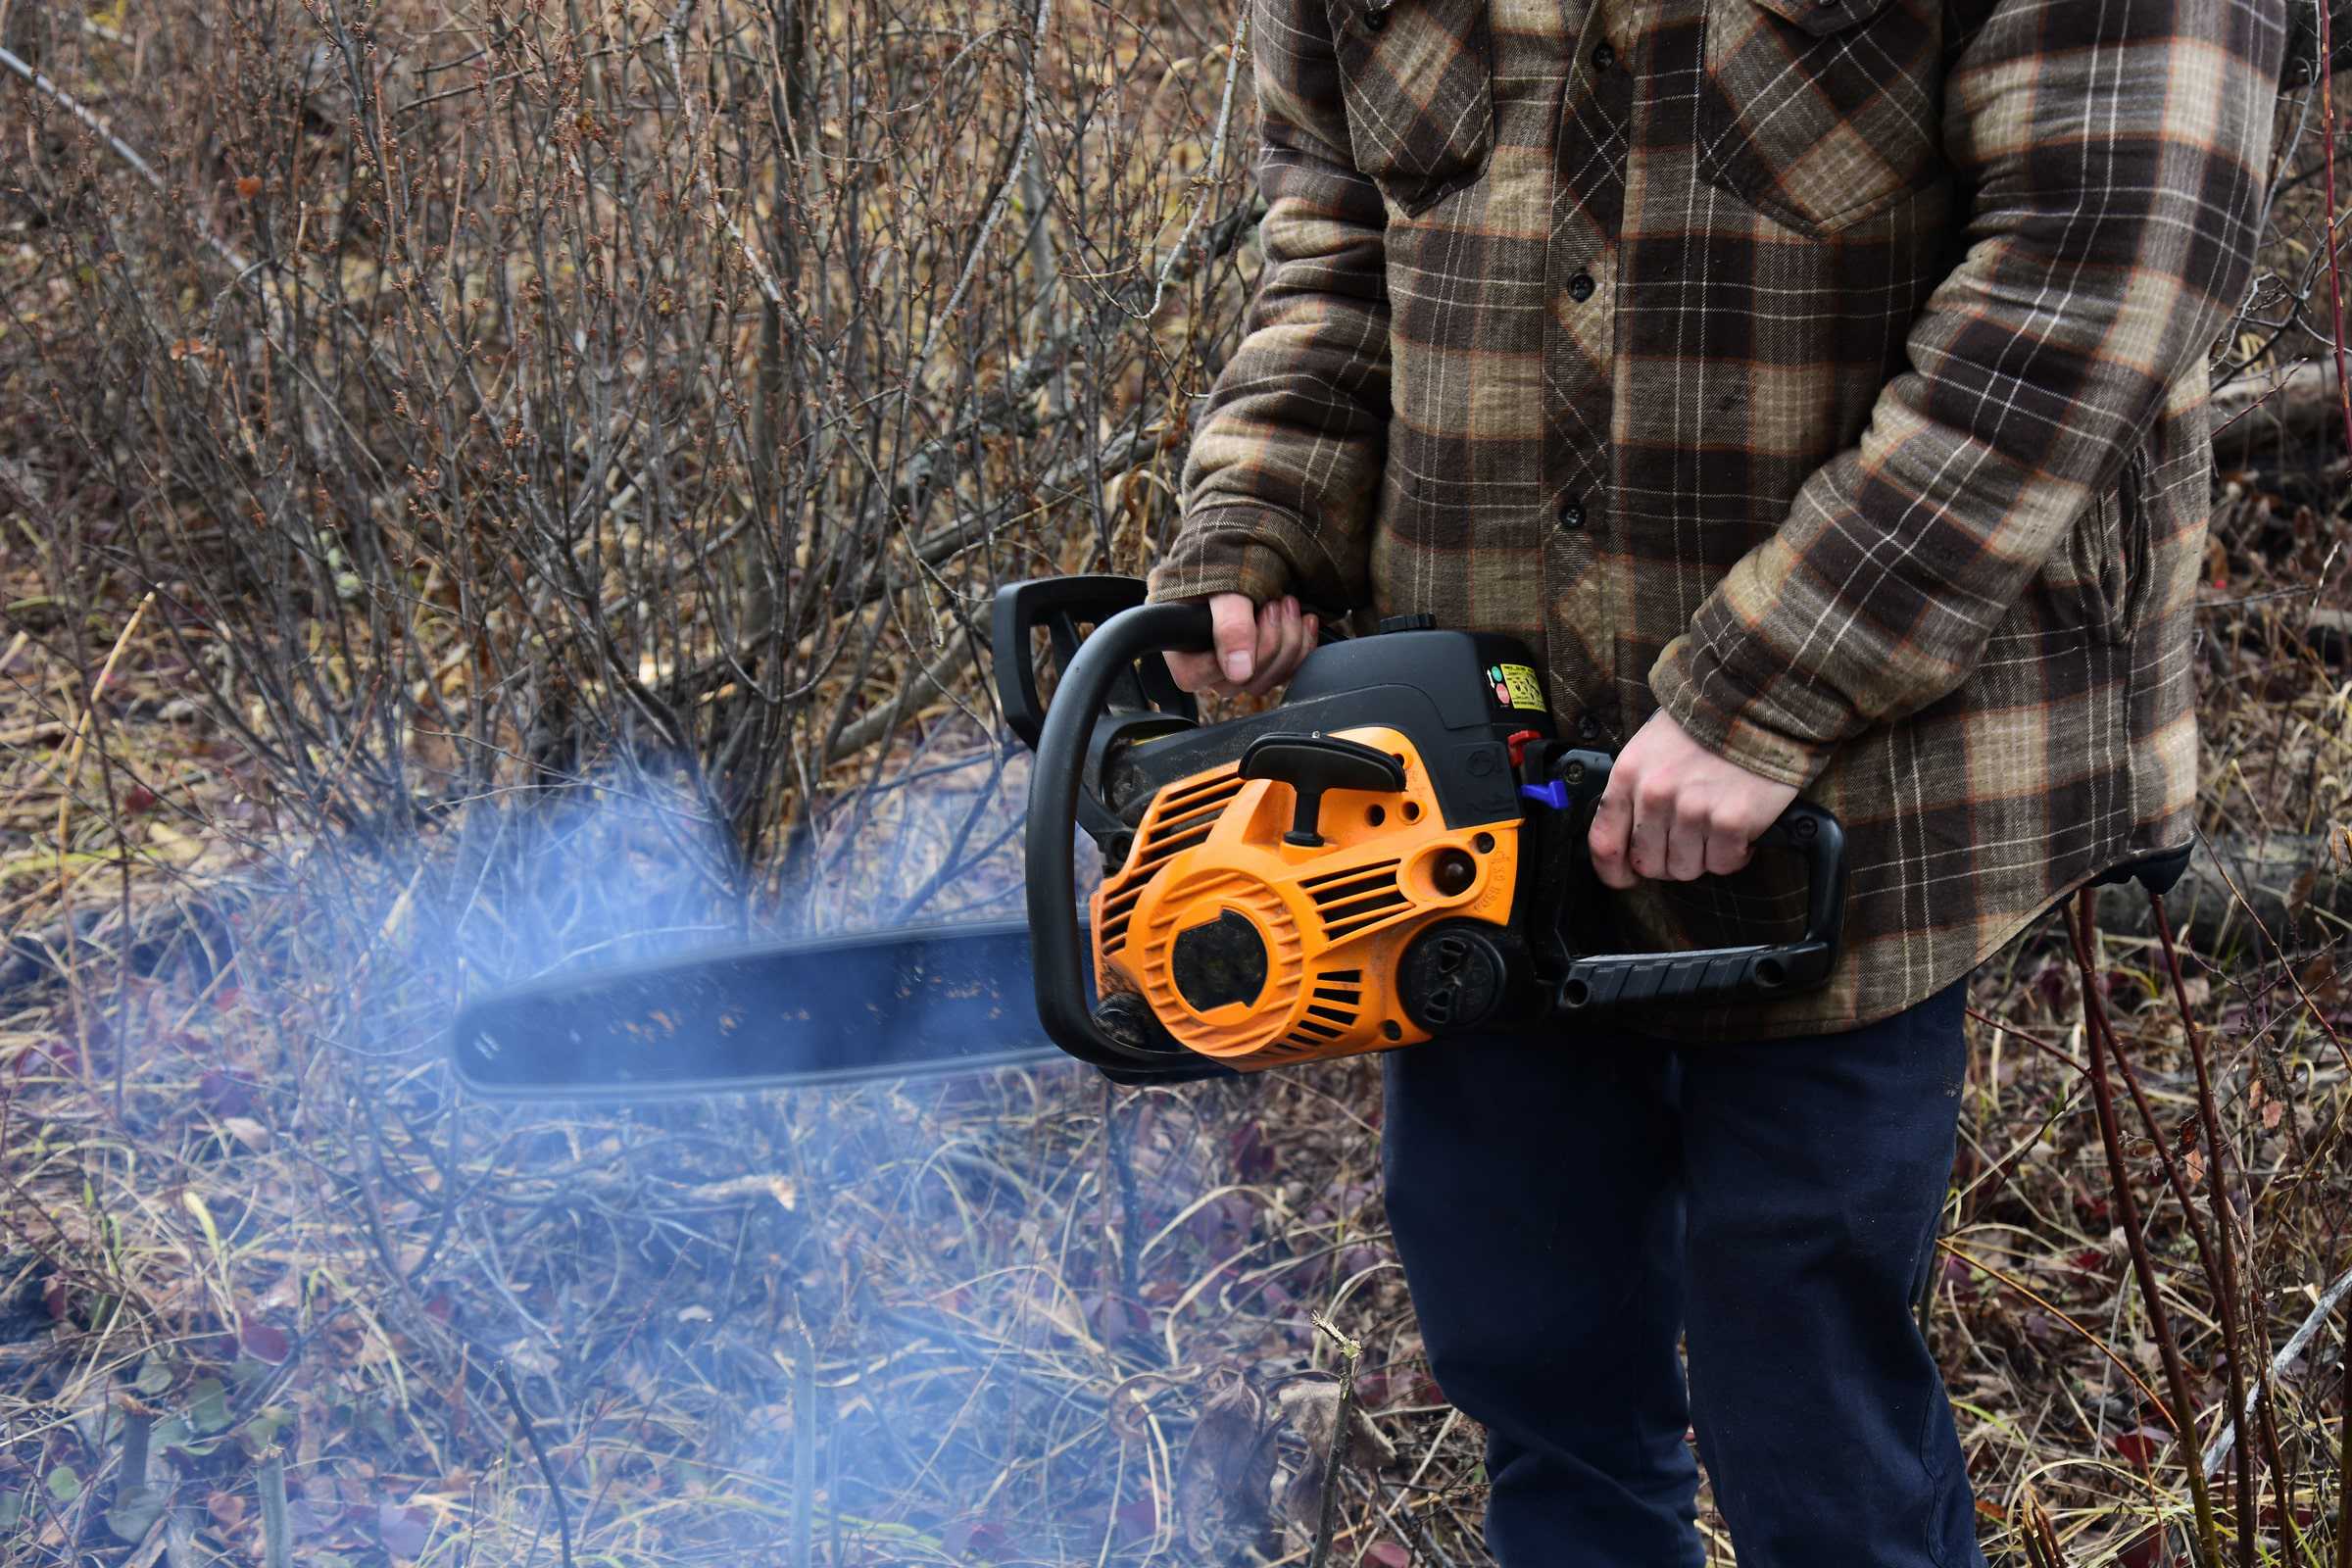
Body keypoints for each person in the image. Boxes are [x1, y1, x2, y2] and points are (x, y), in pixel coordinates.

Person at [1148, 0, 2286, 1561]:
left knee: (1806, 1391)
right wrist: (1262, 511)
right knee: (1529, 1347)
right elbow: (1337, 230)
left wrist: (1774, 682)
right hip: (1477, 769)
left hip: (1880, 786)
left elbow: (2101, 270)